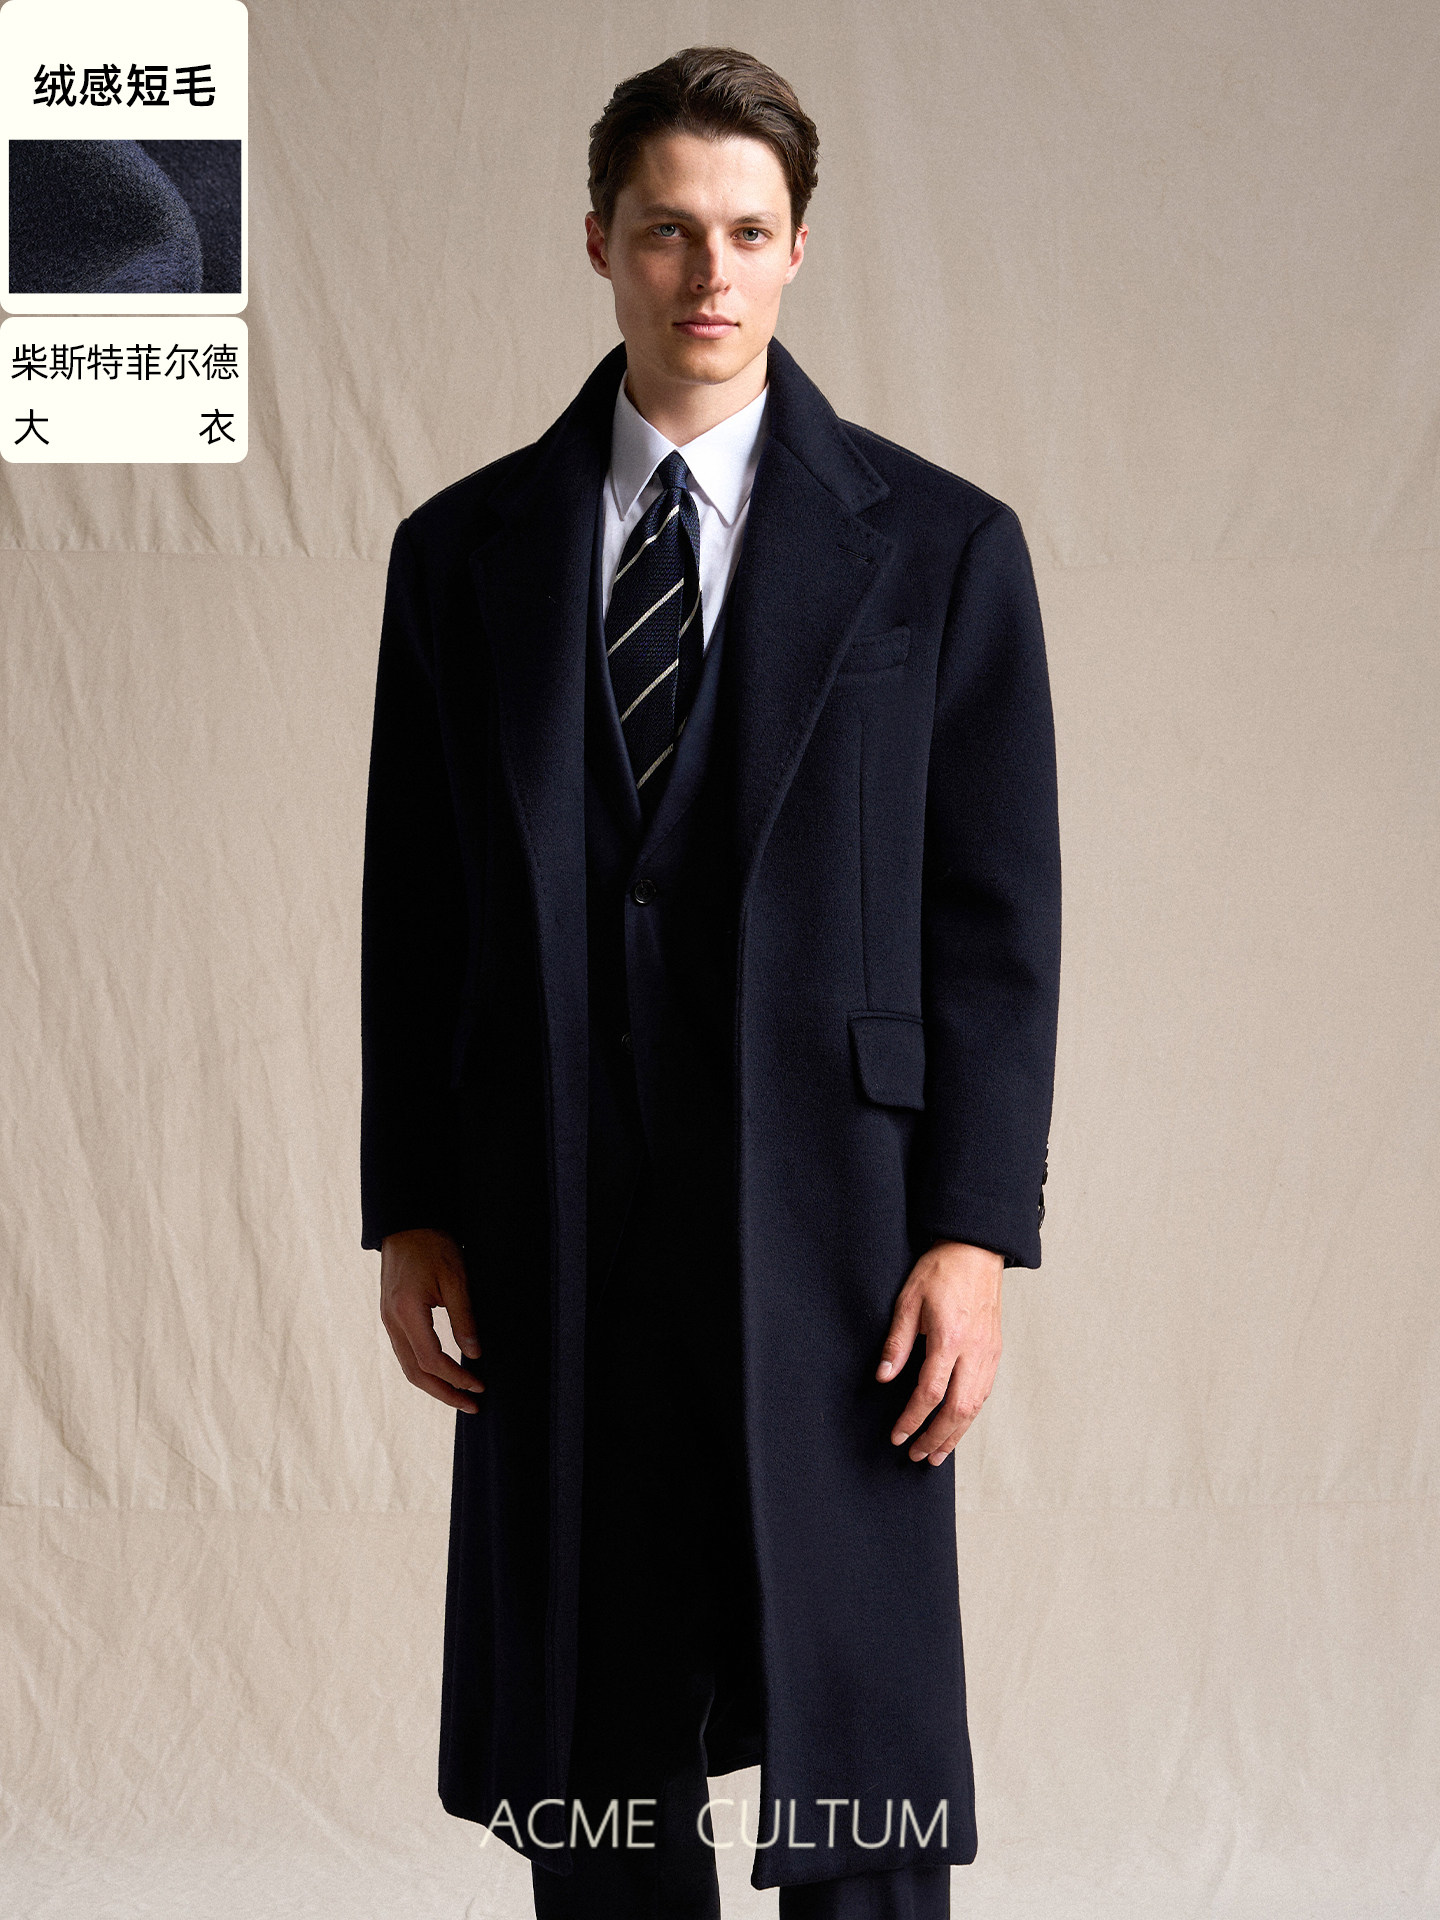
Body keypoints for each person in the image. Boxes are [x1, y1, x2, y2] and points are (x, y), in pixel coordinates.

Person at [361, 45, 1060, 1920]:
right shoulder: (460, 557)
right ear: (599, 241)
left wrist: (975, 1232)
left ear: (799, 248)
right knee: (594, 1759)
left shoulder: (942, 550)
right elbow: (414, 910)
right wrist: (412, 1208)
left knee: (860, 1763)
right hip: (555, 1224)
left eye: (748, 232)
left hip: (842, 1238)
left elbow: (997, 927)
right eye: (668, 229)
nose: (708, 272)